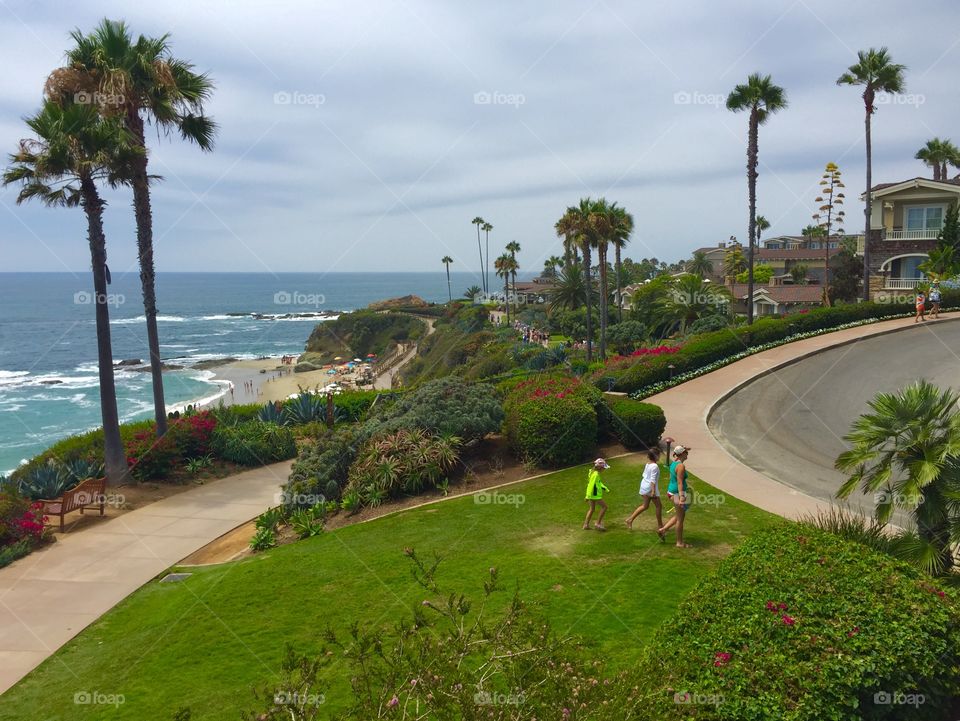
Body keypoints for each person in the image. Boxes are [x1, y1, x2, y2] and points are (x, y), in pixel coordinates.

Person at [658, 445, 692, 548]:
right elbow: (680, 482)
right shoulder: (680, 466)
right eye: (686, 452)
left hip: (671, 492)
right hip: (677, 493)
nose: (687, 454)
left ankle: (663, 530)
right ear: (682, 454)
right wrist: (682, 497)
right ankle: (679, 543)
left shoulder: (674, 463)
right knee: (680, 519)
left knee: (678, 515)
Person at [625, 447, 663, 536]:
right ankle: (660, 526)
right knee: (658, 506)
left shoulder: (648, 464)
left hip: (644, 487)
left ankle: (630, 520)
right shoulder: (655, 466)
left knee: (645, 506)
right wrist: (653, 491)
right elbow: (652, 480)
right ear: (656, 456)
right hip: (650, 488)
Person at [583, 458, 610, 531]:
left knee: (592, 509)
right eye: (603, 468)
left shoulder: (593, 472)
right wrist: (587, 496)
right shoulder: (595, 474)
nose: (604, 469)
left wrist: (605, 488)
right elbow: (591, 485)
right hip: (595, 495)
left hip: (592, 495)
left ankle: (586, 525)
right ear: (600, 468)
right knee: (604, 507)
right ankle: (598, 523)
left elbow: (598, 483)